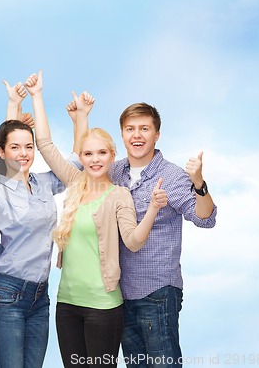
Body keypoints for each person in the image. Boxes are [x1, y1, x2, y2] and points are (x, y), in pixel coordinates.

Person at [25, 70, 168, 368]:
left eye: (102, 153)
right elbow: (46, 145)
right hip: (67, 304)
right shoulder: (74, 183)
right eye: (88, 153)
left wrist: (153, 208)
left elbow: (133, 241)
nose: (94, 159)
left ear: (112, 155)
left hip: (103, 306)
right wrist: (37, 96)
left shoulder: (119, 195)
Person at [71, 100, 217, 367]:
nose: (136, 135)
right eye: (129, 129)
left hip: (158, 292)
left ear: (156, 134)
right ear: (122, 134)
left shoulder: (171, 176)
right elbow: (82, 160)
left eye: (144, 129)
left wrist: (199, 183)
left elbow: (205, 218)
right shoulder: (114, 172)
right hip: (120, 295)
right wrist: (81, 118)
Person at [0, 81, 66, 368]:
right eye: (15, 147)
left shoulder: (44, 183)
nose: (23, 153)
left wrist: (41, 99)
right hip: (6, 296)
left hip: (40, 297)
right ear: (2, 152)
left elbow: (76, 167)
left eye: (29, 147)